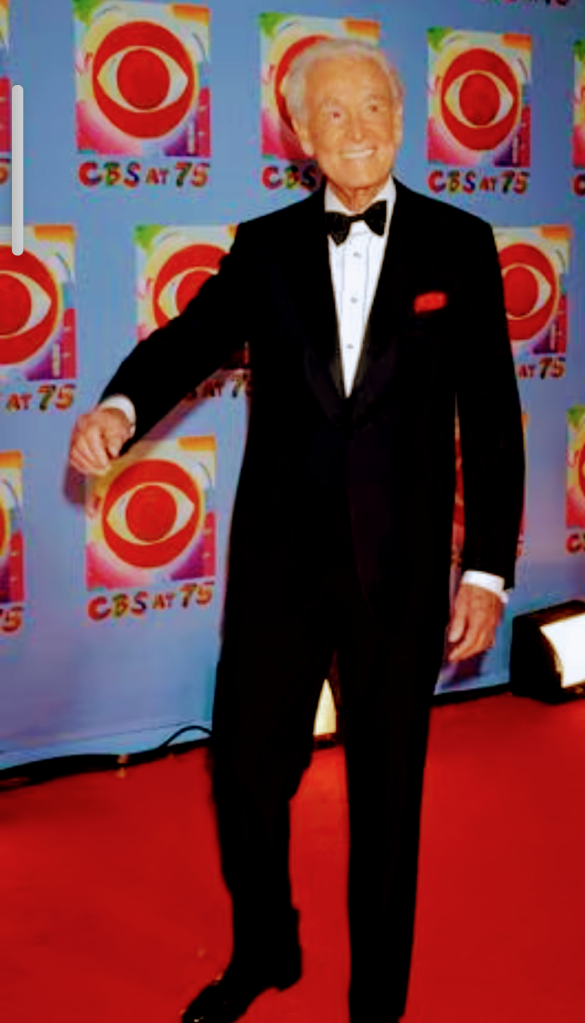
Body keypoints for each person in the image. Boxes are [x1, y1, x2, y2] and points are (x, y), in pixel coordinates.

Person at [69, 39, 524, 1023]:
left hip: (400, 572)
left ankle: (376, 1006)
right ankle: (267, 948)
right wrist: (120, 405)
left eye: (373, 109)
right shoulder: (267, 246)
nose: (356, 130)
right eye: (334, 114)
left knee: (388, 799)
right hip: (279, 565)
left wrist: (486, 570)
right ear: (301, 136)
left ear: (400, 122)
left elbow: (491, 415)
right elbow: (191, 338)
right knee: (243, 771)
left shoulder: (460, 242)